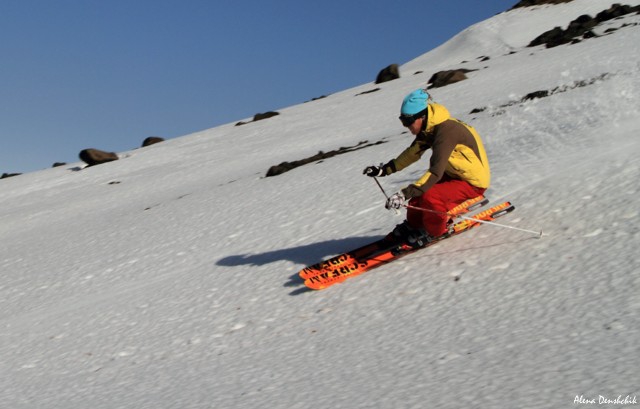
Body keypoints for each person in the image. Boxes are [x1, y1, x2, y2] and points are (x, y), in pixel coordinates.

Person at [363, 88, 491, 244]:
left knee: (431, 197)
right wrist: (384, 170)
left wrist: (405, 193)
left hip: (472, 182)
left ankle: (433, 231)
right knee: (419, 196)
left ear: (422, 117)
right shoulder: (430, 129)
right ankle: (413, 226)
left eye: (408, 121)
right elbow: (412, 153)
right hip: (455, 174)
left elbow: (436, 171)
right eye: (402, 121)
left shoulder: (446, 132)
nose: (406, 126)